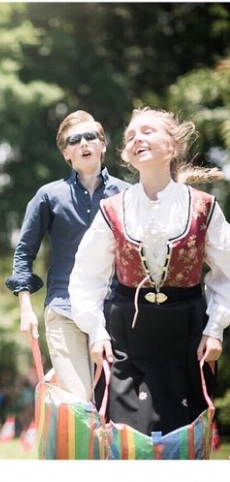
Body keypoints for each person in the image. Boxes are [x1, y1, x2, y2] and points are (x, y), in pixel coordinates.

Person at [69, 106, 228, 436]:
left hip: (187, 334)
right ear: (127, 156)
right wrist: (96, 332)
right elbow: (87, 276)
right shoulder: (113, 209)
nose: (136, 138)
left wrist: (215, 328)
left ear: (172, 146)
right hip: (127, 336)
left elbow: (226, 272)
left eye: (147, 131)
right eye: (130, 136)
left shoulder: (203, 207)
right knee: (127, 439)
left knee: (184, 437)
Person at [5, 110, 130, 402]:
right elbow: (24, 254)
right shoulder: (48, 196)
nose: (84, 144)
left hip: (115, 309)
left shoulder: (127, 195)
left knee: (115, 403)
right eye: (75, 140)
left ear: (103, 145)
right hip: (64, 308)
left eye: (91, 137)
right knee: (80, 400)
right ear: (66, 153)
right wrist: (25, 309)